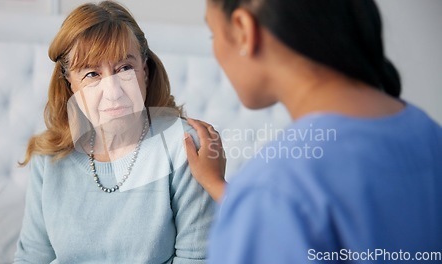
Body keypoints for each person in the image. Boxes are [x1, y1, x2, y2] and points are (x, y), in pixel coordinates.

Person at [184, 0, 442, 263]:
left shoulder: (274, 189)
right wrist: (219, 186)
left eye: (213, 34)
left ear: (242, 29)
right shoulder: (427, 131)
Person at [14, 1, 215, 263]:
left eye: (124, 69)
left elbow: (197, 258)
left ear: (144, 70)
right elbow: (32, 258)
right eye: (92, 74)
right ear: (70, 84)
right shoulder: (48, 159)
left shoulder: (185, 147)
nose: (113, 92)